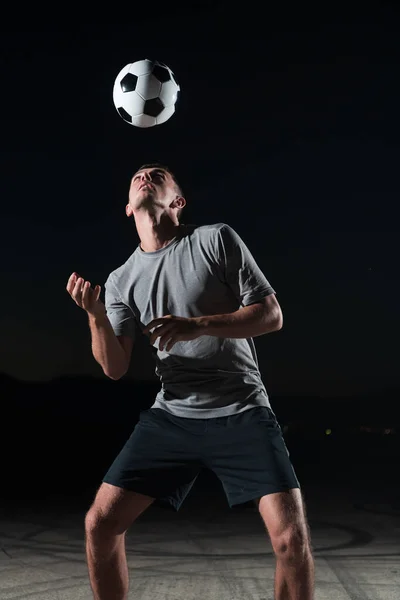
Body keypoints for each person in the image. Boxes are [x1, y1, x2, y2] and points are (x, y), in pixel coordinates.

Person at [66, 163, 315, 600]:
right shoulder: (122, 280)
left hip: (241, 408)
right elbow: (114, 367)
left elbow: (271, 315)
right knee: (100, 524)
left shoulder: (215, 239)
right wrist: (96, 316)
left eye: (158, 174)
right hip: (173, 416)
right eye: (138, 175)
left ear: (177, 202)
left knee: (290, 540)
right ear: (128, 207)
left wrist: (198, 324)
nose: (146, 176)